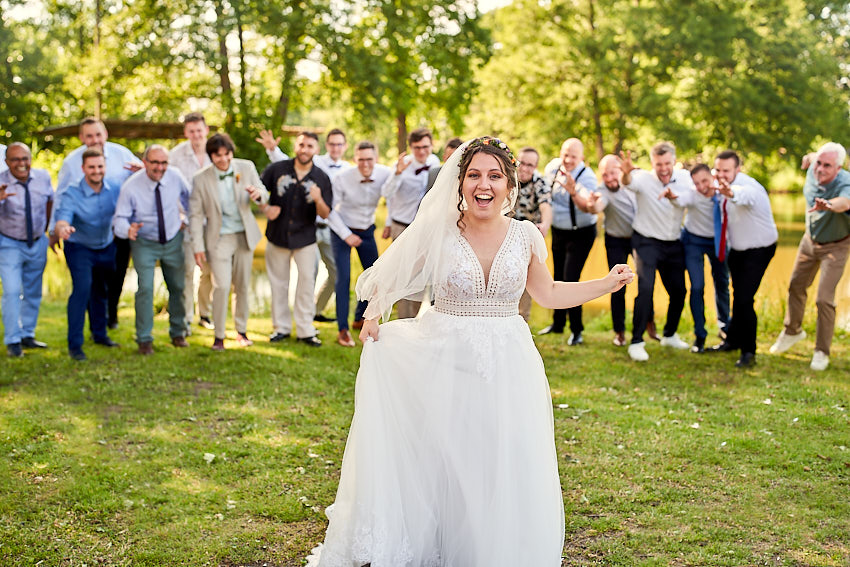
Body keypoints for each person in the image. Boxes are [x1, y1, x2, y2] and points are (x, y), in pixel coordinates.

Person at [306, 137, 633, 566]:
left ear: (509, 184)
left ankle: (493, 546)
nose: (484, 185)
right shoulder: (439, 231)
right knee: (449, 456)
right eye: (474, 175)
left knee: (501, 455)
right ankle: (445, 542)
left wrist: (605, 285)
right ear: (459, 183)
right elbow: (396, 272)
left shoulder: (526, 235)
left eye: (494, 176)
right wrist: (374, 313)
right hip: (445, 355)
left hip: (509, 361)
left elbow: (548, 292)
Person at [54, 118, 142, 330]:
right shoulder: (71, 162)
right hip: (82, 233)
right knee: (86, 285)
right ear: (81, 138)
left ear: (105, 134)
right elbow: (61, 199)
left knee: (114, 277)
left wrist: (142, 171)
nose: (95, 140)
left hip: (116, 230)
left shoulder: (122, 154)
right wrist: (55, 230)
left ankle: (109, 318)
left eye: (98, 134)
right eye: (89, 135)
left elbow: (139, 185)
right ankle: (93, 323)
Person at [769, 142, 850, 370]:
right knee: (796, 286)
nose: (820, 169)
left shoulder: (846, 182)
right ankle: (792, 331)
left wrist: (829, 205)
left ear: (838, 168)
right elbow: (815, 156)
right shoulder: (815, 166)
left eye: (827, 166)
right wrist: (809, 157)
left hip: (836, 245)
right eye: (819, 164)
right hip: (809, 240)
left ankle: (821, 351)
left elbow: (845, 202)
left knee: (824, 298)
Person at [189, 133, 269, 351]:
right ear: (211, 156)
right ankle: (219, 336)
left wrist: (258, 195)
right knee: (222, 285)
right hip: (219, 238)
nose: (223, 159)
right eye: (218, 155)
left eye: (227, 154)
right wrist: (197, 247)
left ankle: (241, 332)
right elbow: (195, 216)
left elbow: (264, 193)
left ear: (231, 153)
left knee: (242, 285)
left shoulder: (246, 167)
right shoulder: (200, 178)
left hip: (244, 235)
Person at [112, 145, 190, 355]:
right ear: (144, 162)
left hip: (173, 238)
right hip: (144, 241)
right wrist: (127, 229)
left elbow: (189, 198)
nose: (159, 168)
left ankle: (178, 332)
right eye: (154, 162)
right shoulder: (131, 186)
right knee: (145, 288)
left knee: (178, 286)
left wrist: (188, 219)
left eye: (164, 163)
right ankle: (144, 339)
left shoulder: (175, 177)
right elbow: (120, 217)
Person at [705, 151, 777, 367]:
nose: (721, 174)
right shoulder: (717, 182)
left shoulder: (749, 187)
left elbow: (743, 195)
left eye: (726, 171)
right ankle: (733, 341)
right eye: (718, 170)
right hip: (737, 249)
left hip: (759, 249)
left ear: (738, 169)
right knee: (739, 296)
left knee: (745, 299)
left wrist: (730, 192)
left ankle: (749, 351)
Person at [260, 131, 332, 346]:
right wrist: (265, 207)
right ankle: (281, 328)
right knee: (279, 283)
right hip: (277, 235)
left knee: (306, 283)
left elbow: (326, 213)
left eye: (310, 146)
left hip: (305, 238)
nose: (305, 149)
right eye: (301, 145)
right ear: (295, 146)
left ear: (316, 150)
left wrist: (318, 199)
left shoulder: (322, 177)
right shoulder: (277, 169)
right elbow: (258, 190)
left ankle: (305, 330)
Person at [621, 142, 692, 361]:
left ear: (674, 161)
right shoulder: (642, 178)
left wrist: (675, 197)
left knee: (679, 291)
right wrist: (625, 173)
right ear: (653, 163)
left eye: (667, 163)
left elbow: (693, 198)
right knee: (646, 288)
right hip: (646, 241)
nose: (663, 168)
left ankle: (669, 333)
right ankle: (636, 341)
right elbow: (629, 183)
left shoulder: (684, 178)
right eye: (659, 164)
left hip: (673, 243)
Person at [53, 148, 121, 361]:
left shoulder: (115, 188)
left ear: (105, 167)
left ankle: (100, 335)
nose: (96, 171)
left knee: (100, 290)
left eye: (100, 166)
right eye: (91, 167)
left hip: (106, 245)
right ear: (83, 169)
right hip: (80, 247)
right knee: (82, 290)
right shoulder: (72, 192)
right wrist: (63, 228)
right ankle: (75, 345)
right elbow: (63, 217)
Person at [326, 141, 393, 346]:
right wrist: (346, 235)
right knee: (343, 279)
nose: (365, 164)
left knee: (374, 277)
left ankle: (360, 318)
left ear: (376, 159)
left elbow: (392, 198)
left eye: (369, 159)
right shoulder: (342, 178)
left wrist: (388, 222)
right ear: (355, 159)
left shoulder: (386, 173)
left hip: (367, 230)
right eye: (361, 160)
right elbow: (330, 211)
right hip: (342, 231)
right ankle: (343, 330)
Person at [660, 163, 730, 353]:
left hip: (718, 241)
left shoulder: (723, 192)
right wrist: (672, 198)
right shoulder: (692, 194)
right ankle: (700, 335)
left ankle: (726, 328)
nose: (701, 186)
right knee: (697, 286)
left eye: (704, 181)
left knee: (722, 282)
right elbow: (680, 200)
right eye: (697, 183)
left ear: (713, 177)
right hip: (694, 242)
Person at [538, 138, 599, 345]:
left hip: (581, 233)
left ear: (581, 158)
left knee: (571, 278)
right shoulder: (553, 167)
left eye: (573, 156)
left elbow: (586, 206)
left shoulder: (587, 177)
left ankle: (577, 330)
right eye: (565, 154)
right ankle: (558, 324)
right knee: (556, 276)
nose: (568, 159)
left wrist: (574, 192)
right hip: (559, 231)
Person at [380, 127, 441, 319]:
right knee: (403, 277)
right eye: (417, 148)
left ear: (432, 146)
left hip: (426, 229)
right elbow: (386, 194)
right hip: (403, 227)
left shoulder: (435, 162)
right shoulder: (402, 165)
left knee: (423, 278)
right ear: (411, 148)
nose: (422, 152)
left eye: (425, 147)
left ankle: (417, 320)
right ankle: (403, 322)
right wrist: (397, 173)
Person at [0, 143, 53, 357]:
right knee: (12, 290)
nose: (21, 164)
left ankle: (27, 334)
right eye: (15, 159)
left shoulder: (43, 177)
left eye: (25, 158)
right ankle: (12, 340)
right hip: (9, 243)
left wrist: (47, 231)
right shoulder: (1, 182)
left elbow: (50, 201)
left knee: (33, 291)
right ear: (6, 162)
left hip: (37, 241)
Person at [170, 112, 215, 332]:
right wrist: (177, 215)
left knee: (209, 270)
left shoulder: (216, 152)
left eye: (200, 130)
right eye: (191, 131)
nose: (196, 135)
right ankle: (186, 317)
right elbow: (168, 187)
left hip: (213, 222)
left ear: (206, 130)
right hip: (187, 221)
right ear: (186, 133)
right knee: (187, 269)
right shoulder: (175, 156)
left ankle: (204, 314)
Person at [513, 146, 552, 320]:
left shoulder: (540, 183)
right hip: (502, 234)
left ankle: (522, 321)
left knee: (525, 280)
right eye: (522, 163)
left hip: (526, 239)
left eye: (530, 165)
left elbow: (545, 206)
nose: (525, 168)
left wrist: (545, 224)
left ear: (535, 167)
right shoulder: (507, 178)